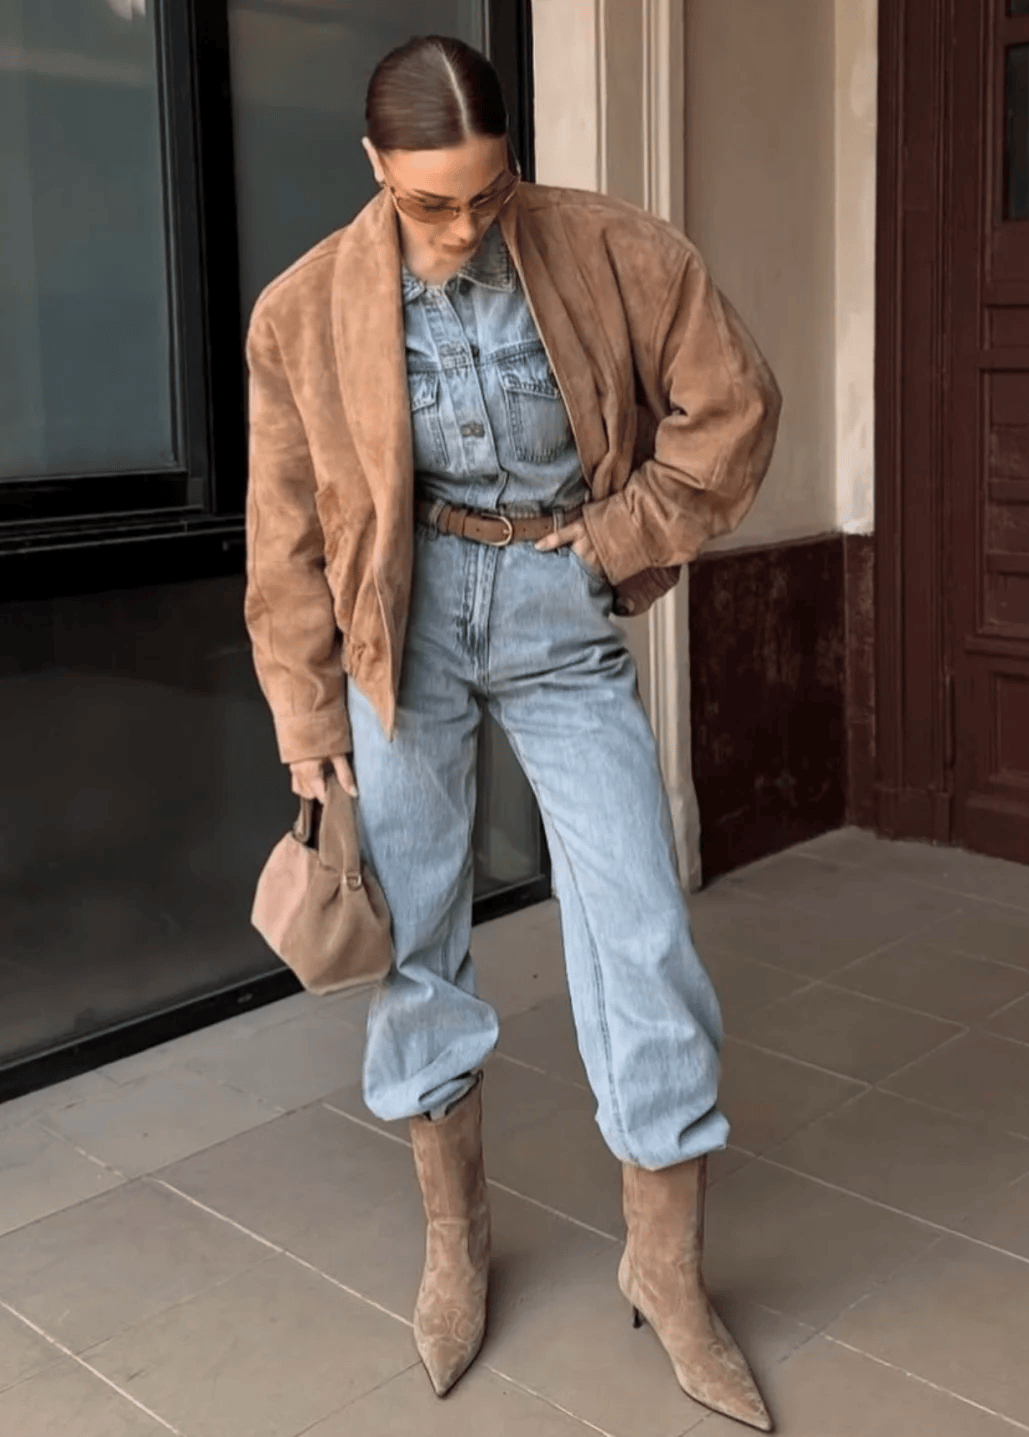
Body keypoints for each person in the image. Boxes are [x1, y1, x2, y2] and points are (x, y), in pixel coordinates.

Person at [243, 33, 781, 1433]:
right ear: (375, 165)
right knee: (419, 936)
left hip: (556, 604)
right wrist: (308, 716)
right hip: (399, 631)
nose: (465, 226)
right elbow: (285, 532)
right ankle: (456, 1245)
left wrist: (614, 542)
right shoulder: (302, 311)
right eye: (432, 202)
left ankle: (667, 1270)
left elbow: (731, 410)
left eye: (489, 192)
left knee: (643, 930)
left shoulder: (618, 250)